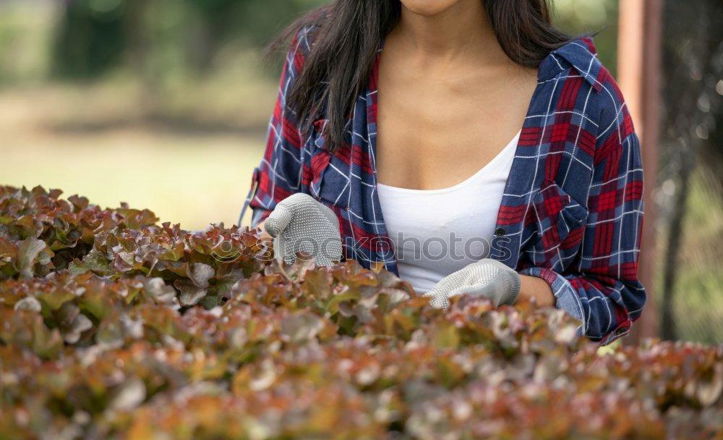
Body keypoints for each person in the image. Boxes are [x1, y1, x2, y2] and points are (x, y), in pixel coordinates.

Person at [242, 0, 646, 345]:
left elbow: (612, 295)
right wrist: (290, 233)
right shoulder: (319, 55)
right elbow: (261, 231)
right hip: (336, 398)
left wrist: (519, 293)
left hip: (495, 411)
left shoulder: (583, 99)